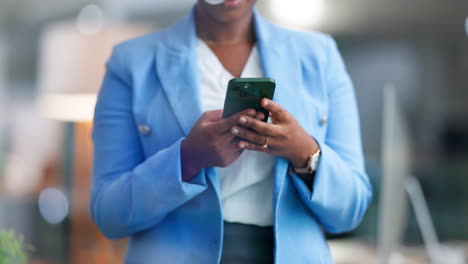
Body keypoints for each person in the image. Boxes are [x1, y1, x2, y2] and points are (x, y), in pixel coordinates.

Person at [90, 0, 372, 263]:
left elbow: (350, 211)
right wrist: (187, 159)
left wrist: (304, 152)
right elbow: (109, 215)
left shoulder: (320, 56)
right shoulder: (131, 63)